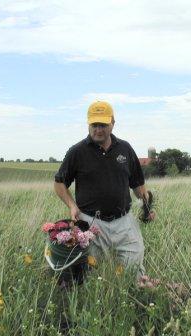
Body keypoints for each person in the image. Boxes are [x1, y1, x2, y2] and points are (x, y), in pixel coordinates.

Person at [54, 101, 155, 278]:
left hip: (124, 222)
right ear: (88, 124)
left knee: (135, 272)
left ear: (113, 123)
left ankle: (136, 298)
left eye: (103, 125)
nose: (98, 130)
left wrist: (147, 205)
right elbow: (59, 183)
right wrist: (71, 205)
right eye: (94, 125)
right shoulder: (77, 152)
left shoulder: (125, 148)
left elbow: (138, 184)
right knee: (92, 276)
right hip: (91, 223)